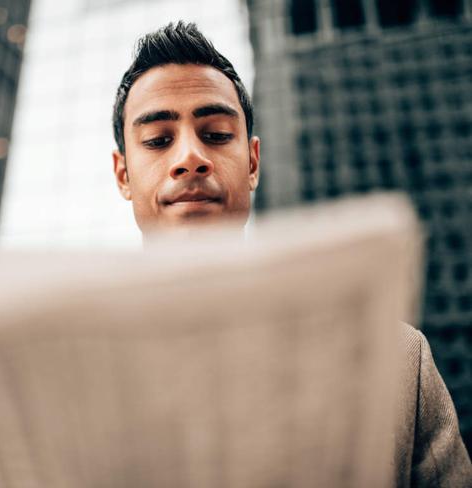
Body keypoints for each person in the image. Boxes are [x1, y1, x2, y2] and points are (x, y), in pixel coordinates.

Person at [111, 21, 471, 486]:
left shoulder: (398, 360)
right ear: (123, 174)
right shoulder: (53, 367)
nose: (189, 157)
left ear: (253, 162)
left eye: (217, 134)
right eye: (158, 140)